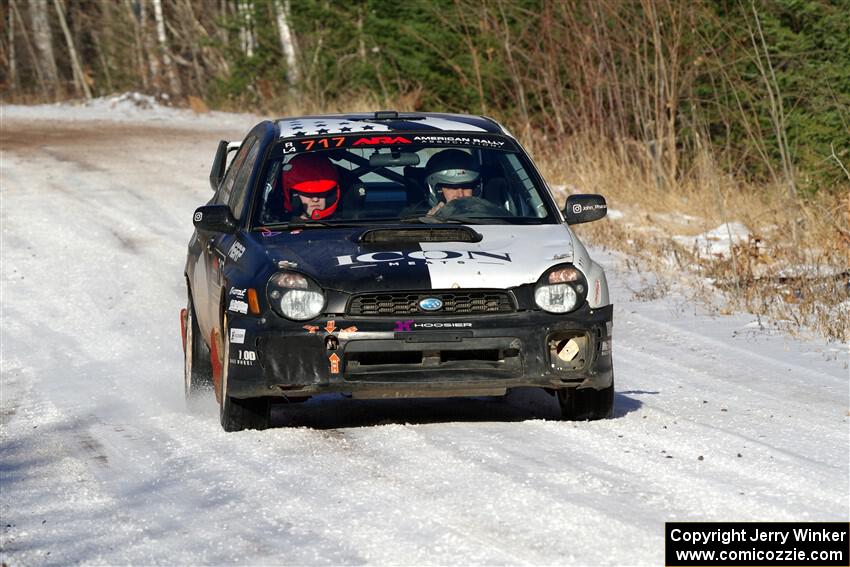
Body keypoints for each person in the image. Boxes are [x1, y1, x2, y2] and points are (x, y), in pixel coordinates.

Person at [281, 153, 341, 220]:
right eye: (307, 193)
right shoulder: (274, 228)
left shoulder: (346, 227)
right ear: (294, 195)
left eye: (321, 192)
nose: (315, 199)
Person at [423, 149, 482, 216]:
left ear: (476, 190)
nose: (460, 195)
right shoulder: (414, 222)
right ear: (438, 191)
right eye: (452, 187)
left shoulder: (492, 217)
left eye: (466, 187)